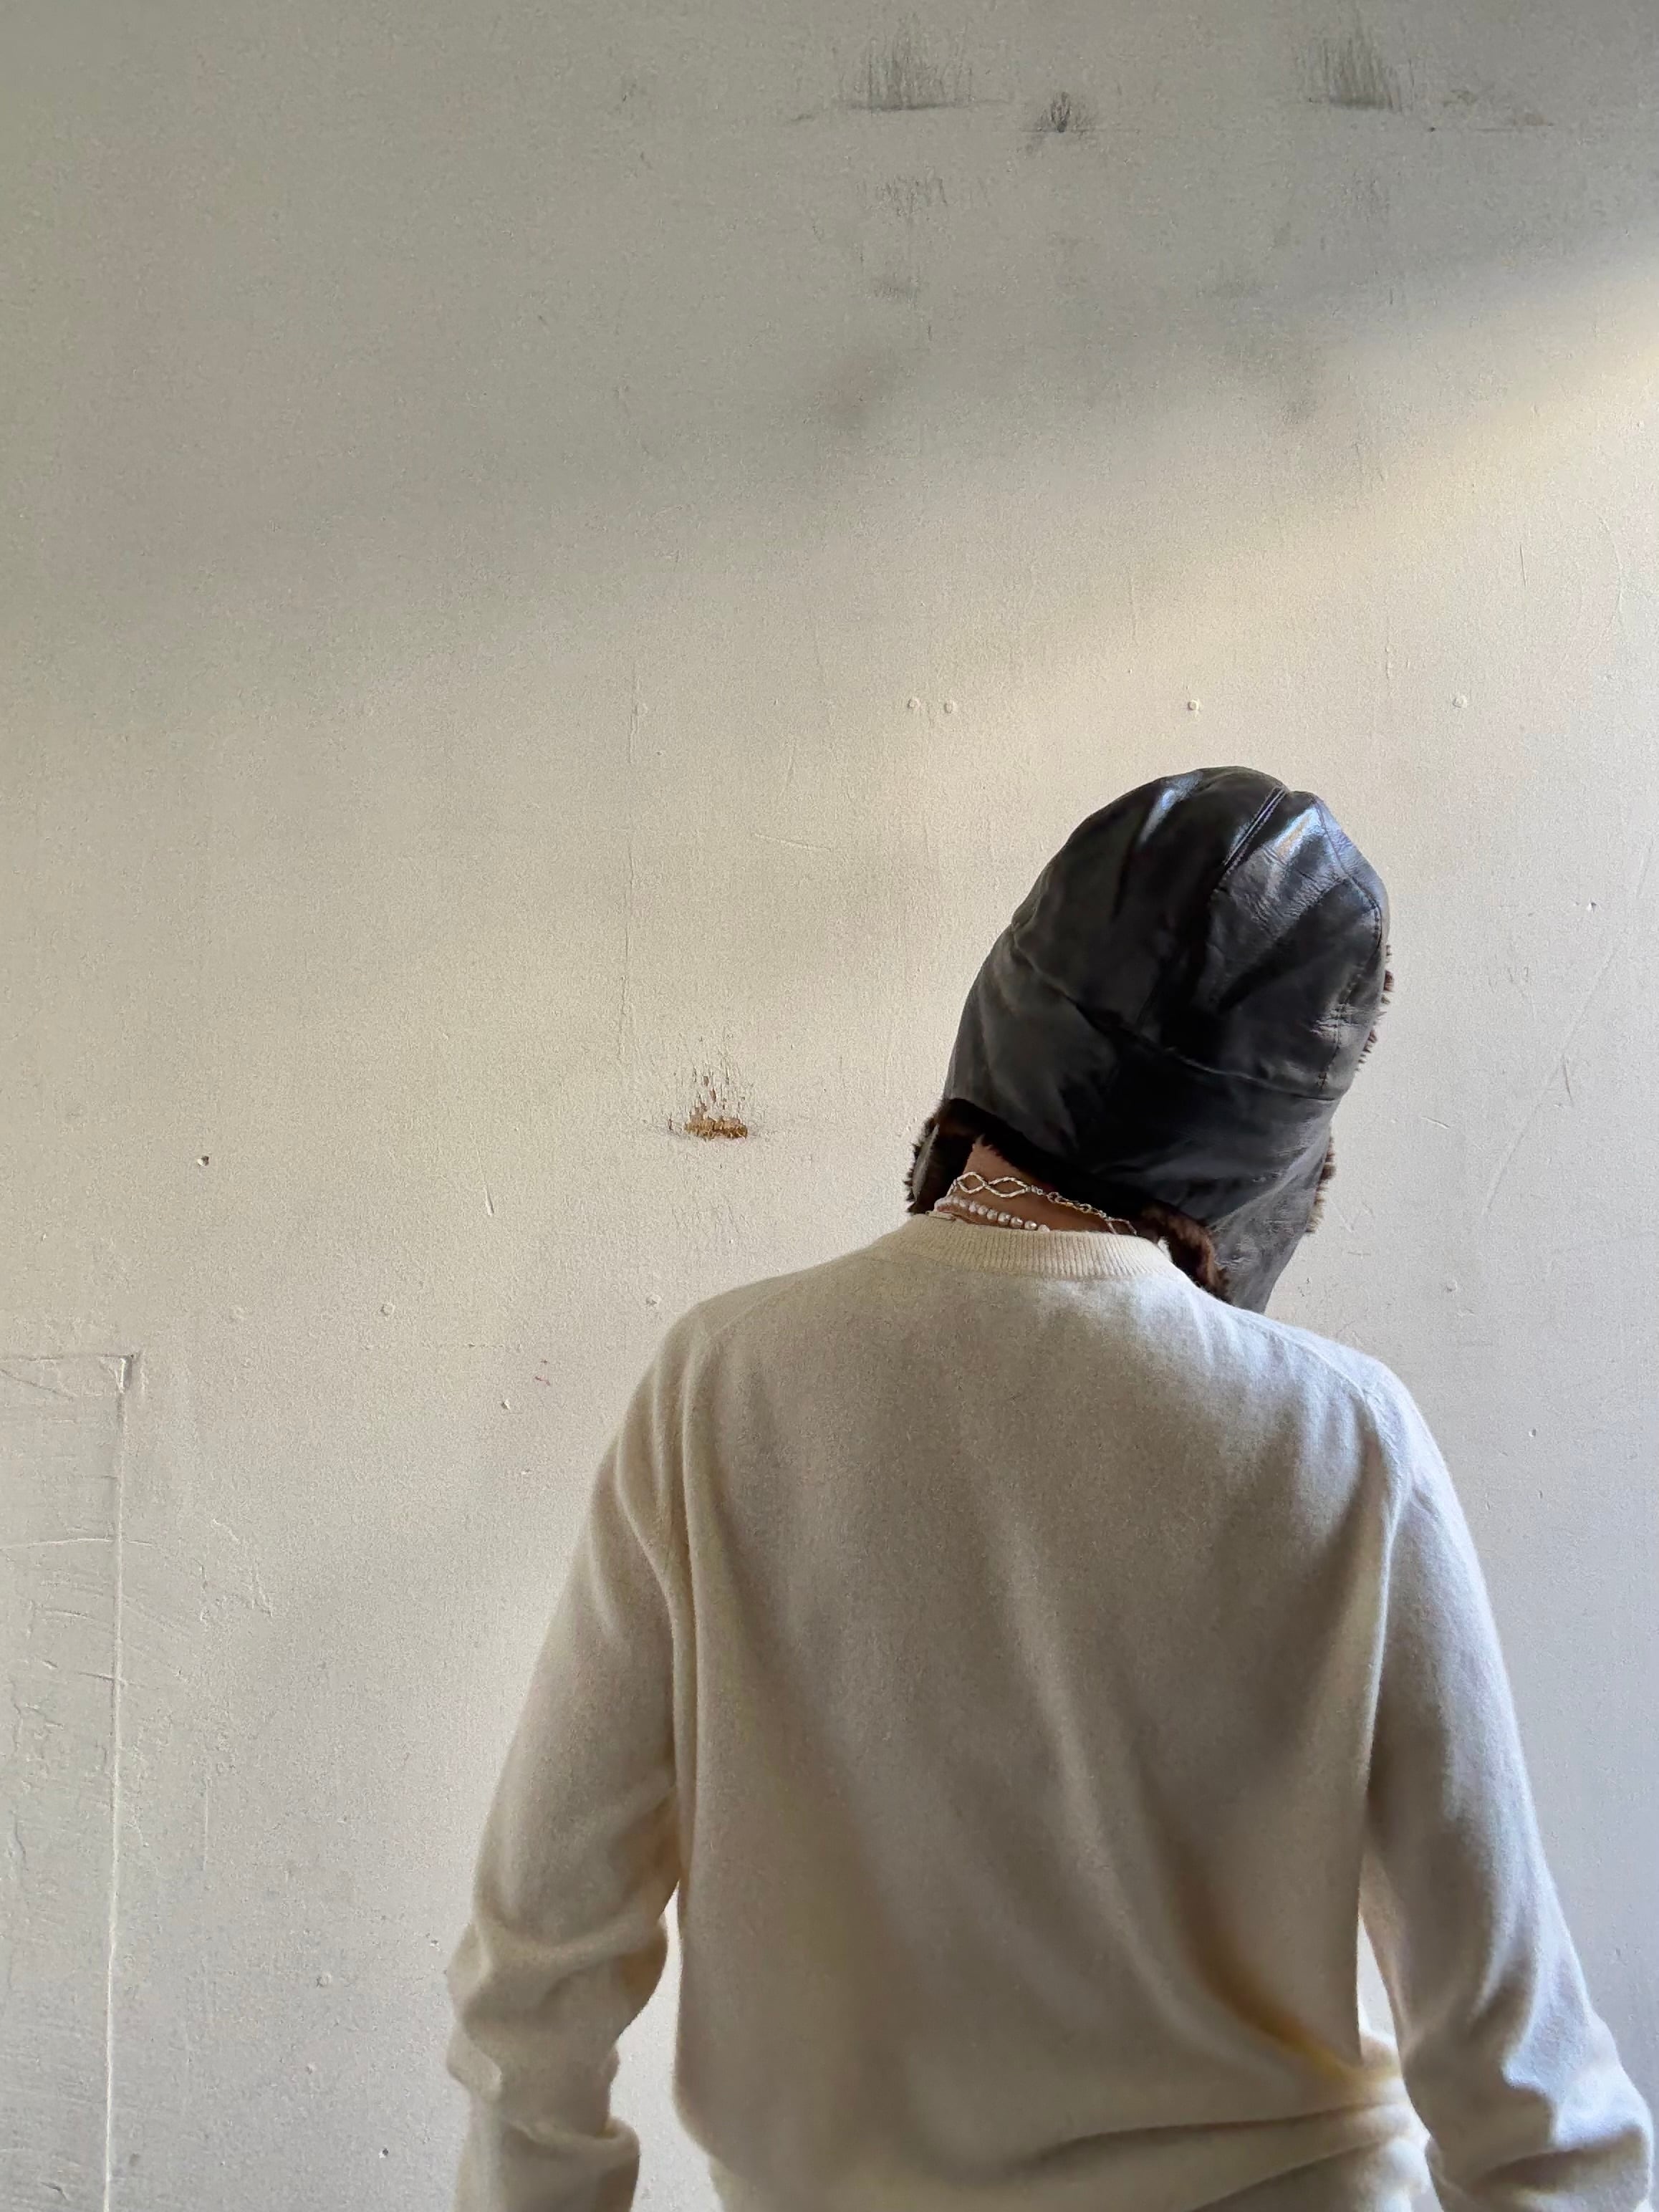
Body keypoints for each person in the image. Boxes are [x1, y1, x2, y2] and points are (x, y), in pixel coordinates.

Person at [443, 767, 1653, 2212]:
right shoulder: (1342, 1437)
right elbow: (1523, 2078)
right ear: (1282, 1133)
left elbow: (537, 1971)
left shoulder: (723, 1386)